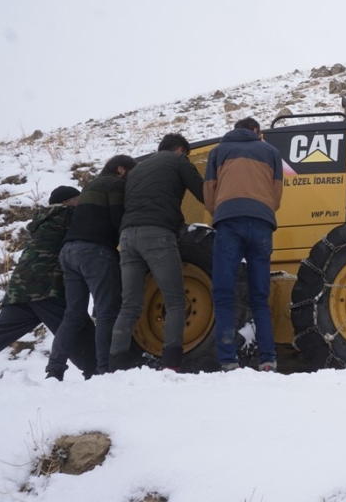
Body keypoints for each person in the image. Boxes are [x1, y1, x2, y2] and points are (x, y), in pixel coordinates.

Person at [0, 187, 96, 378]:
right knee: (78, 329)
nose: (82, 202)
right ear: (68, 201)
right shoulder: (67, 215)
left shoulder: (44, 220)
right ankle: (102, 371)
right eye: (79, 199)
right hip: (46, 288)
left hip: (20, 287)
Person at [109, 133, 204, 372]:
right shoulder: (178, 161)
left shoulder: (137, 170)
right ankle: (171, 363)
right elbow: (202, 193)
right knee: (174, 301)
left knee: (129, 305)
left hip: (128, 237)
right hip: (157, 234)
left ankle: (115, 365)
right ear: (180, 150)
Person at [46, 155, 136, 380]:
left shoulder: (89, 187)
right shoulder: (114, 184)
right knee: (107, 312)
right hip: (95, 252)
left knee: (73, 315)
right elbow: (118, 220)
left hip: (69, 252)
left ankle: (54, 369)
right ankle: (104, 368)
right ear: (121, 170)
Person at [203, 117, 283, 372]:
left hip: (228, 222)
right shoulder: (271, 152)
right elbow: (277, 194)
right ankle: (268, 359)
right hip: (261, 224)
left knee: (224, 295)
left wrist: (223, 210)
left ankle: (228, 361)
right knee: (260, 296)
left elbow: (209, 191)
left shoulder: (218, 152)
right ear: (256, 131)